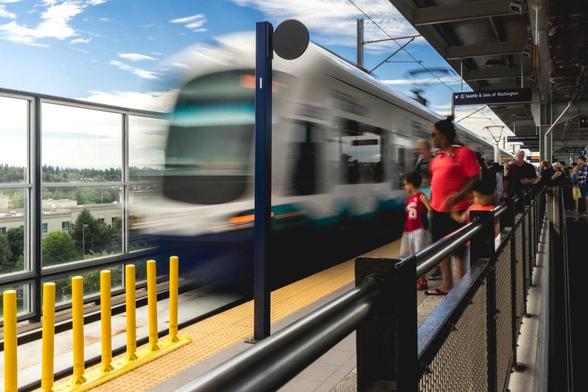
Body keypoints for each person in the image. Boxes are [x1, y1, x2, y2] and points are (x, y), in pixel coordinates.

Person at [425, 116, 480, 296]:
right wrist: (431, 205)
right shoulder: (438, 157)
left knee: (458, 249)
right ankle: (447, 284)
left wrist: (459, 196)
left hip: (457, 210)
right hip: (437, 210)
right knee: (441, 249)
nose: (432, 139)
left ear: (445, 135)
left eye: (435, 135)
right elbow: (435, 182)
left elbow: (474, 177)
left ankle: (463, 286)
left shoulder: (463, 153)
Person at [399, 172, 432, 290]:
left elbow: (430, 210)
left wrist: (428, 223)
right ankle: (416, 277)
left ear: (411, 184)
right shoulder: (409, 199)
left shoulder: (421, 196)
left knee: (418, 254)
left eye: (405, 184)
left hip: (419, 230)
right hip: (410, 231)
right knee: (411, 254)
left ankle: (422, 279)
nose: (405, 187)